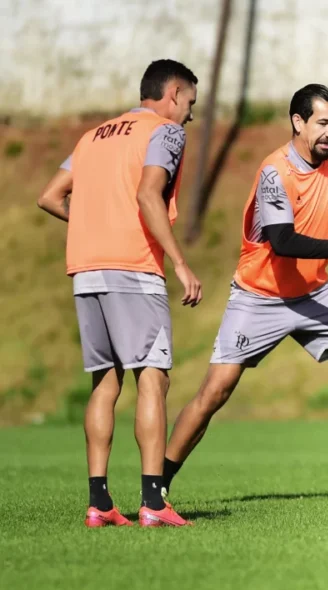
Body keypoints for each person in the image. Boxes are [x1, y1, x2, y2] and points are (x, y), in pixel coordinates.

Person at [160, 84, 328, 501]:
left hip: (312, 293)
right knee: (214, 392)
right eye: (323, 123)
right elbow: (282, 241)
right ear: (298, 122)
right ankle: (157, 485)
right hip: (260, 296)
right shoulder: (276, 170)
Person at [37, 59, 202, 527]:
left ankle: (100, 503)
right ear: (172, 94)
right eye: (190, 102)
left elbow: (49, 196)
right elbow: (150, 194)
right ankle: (153, 502)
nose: (190, 114)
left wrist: (93, 223)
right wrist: (181, 262)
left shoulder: (93, 137)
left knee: (105, 383)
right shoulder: (166, 132)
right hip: (133, 268)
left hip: (86, 269)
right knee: (153, 378)